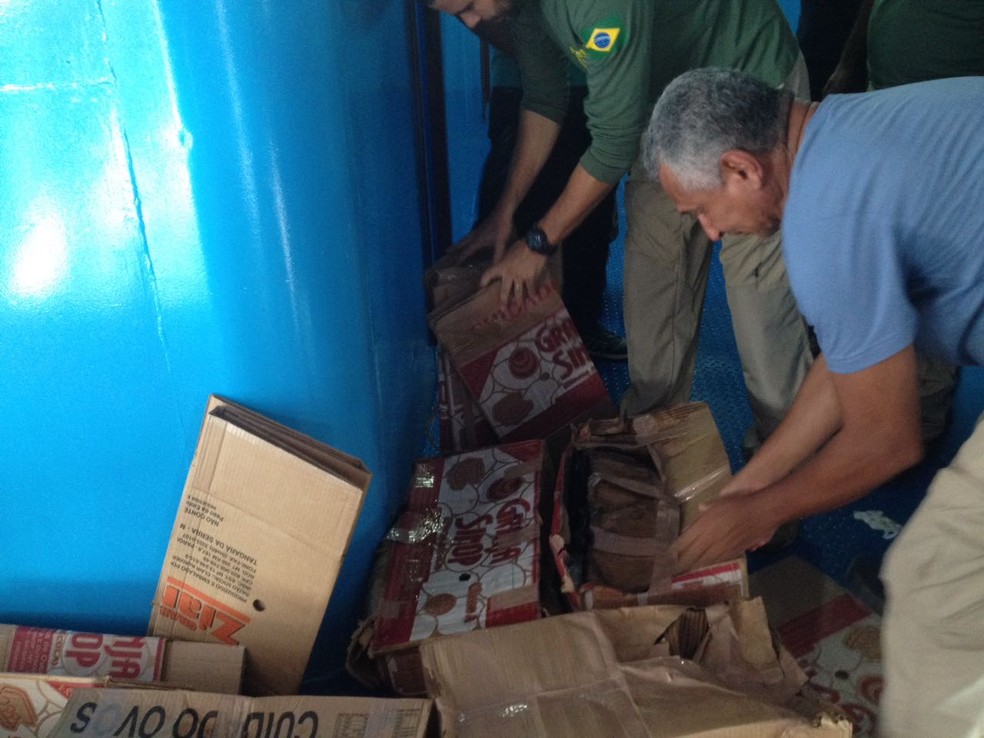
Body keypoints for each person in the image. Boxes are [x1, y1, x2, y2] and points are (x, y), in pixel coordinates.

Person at [643, 67, 984, 737]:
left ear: (741, 169)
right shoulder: (845, 133)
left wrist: (764, 511)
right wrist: (750, 485)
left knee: (935, 584)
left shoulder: (824, 219)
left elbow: (887, 440)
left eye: (702, 211)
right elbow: (852, 357)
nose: (711, 234)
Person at [424, 0, 815, 455]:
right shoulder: (520, 9)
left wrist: (538, 242)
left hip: (745, 85)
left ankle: (783, 466)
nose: (472, 23)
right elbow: (545, 99)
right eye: (457, 15)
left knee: (759, 312)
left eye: (469, 5)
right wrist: (504, 215)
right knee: (654, 288)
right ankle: (651, 454)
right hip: (663, 107)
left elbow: (612, 141)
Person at [476, 43, 626, 360]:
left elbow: (615, 147)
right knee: (518, 219)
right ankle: (508, 344)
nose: (470, 17)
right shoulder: (525, 26)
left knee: (588, 221)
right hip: (523, 85)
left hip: (592, 86)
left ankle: (579, 332)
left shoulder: (593, 22)